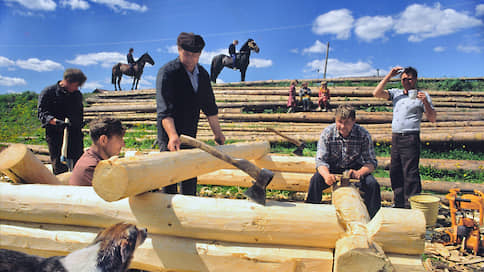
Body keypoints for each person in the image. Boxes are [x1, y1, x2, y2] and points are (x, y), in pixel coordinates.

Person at [156, 32, 226, 195]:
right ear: (179, 50)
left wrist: (218, 134)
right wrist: (173, 136)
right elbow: (164, 110)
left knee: (189, 173)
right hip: (169, 133)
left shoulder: (202, 75)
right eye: (187, 54)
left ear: (200, 54)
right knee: (170, 174)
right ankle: (168, 213)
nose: (191, 59)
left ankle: (189, 208)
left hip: (190, 132)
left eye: (195, 55)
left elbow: (210, 107)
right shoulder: (167, 73)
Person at [373, 66, 436, 208]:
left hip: (410, 136)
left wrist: (425, 102)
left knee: (410, 172)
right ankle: (399, 203)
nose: (406, 81)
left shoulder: (422, 95)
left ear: (415, 79)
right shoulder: (396, 94)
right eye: (403, 79)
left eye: (409, 79)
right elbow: (376, 93)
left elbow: (432, 118)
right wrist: (390, 74)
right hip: (396, 137)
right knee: (395, 170)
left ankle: (412, 205)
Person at [305, 105, 381, 218]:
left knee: (372, 185)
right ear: (335, 120)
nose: (343, 126)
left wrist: (360, 173)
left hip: (355, 168)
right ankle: (311, 214)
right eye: (340, 122)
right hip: (332, 167)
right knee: (316, 180)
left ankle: (373, 218)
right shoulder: (327, 133)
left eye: (347, 122)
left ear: (354, 121)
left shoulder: (363, 134)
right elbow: (321, 161)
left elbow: (371, 162)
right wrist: (326, 175)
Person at [38, 68, 87, 175]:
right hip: (55, 133)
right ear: (67, 81)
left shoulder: (77, 95)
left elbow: (79, 112)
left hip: (74, 133)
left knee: (78, 161)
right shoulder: (48, 92)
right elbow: (42, 114)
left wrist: (79, 122)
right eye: (76, 85)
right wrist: (55, 121)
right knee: (59, 164)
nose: (77, 88)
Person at [69, 117, 126, 186]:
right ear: (103, 140)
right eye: (120, 139)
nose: (123, 144)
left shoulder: (93, 159)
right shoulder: (92, 168)